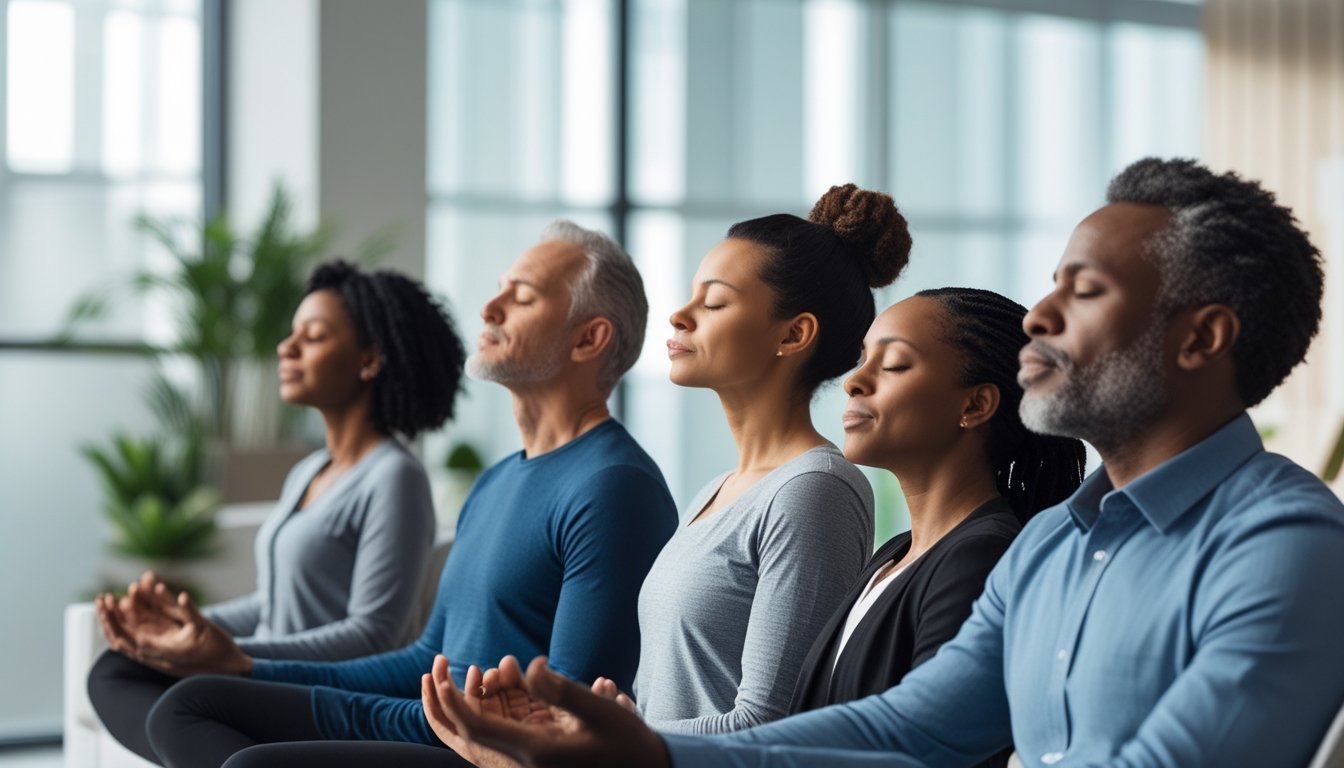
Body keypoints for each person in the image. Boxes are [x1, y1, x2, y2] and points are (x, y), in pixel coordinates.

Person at [423, 157, 1344, 767]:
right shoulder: (1053, 547)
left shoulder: (1285, 541)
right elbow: (907, 725)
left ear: (1202, 337)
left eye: (1086, 288)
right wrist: (649, 753)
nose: (1039, 315)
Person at [100, 221, 680, 768]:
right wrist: (246, 665)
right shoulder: (498, 479)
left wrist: (347, 709)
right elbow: (426, 658)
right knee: (192, 702)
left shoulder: (614, 488)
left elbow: (566, 713)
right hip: (439, 721)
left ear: (589, 339)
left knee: (247, 757)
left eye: (522, 297)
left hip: (483, 752)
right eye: (499, 290)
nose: (489, 307)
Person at [88, 260, 467, 761]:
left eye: (313, 337)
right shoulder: (309, 470)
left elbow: (373, 633)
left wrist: (237, 658)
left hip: (304, 688)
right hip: (252, 671)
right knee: (116, 668)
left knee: (177, 706)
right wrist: (186, 628)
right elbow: (272, 602)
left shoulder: (395, 477)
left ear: (369, 360)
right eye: (292, 334)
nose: (286, 348)